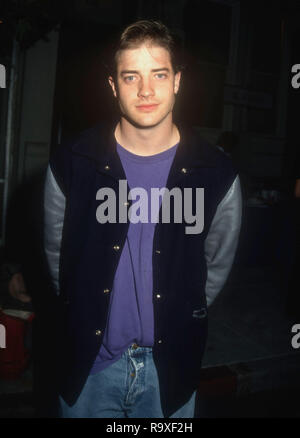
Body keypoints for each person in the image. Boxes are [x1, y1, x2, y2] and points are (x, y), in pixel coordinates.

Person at [43, 20, 242, 418]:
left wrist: (182, 311)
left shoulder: (216, 173)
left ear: (178, 81)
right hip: (89, 370)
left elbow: (215, 266)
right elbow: (58, 258)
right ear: (113, 86)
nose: (146, 90)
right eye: (131, 76)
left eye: (159, 74)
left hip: (169, 374)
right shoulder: (72, 163)